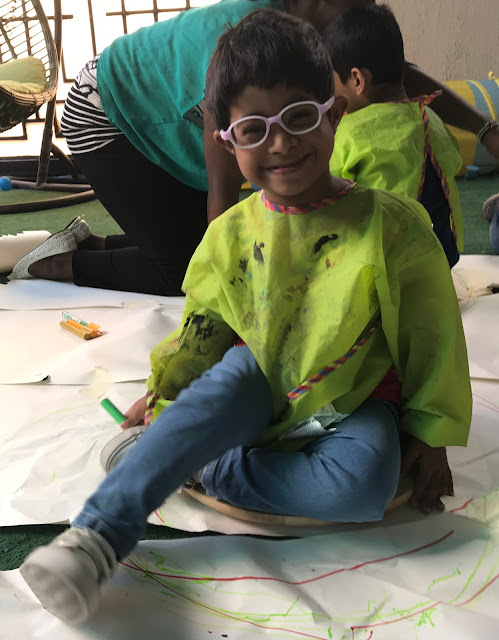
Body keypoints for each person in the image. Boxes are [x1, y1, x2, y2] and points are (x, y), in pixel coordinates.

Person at [20, 10, 471, 625]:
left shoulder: (392, 226)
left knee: (363, 487)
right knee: (215, 391)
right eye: (255, 129)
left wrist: (430, 433)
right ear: (226, 141)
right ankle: (95, 539)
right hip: (255, 380)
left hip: (356, 397)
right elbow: (203, 329)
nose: (280, 143)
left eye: (299, 117)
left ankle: (201, 464)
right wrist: (168, 392)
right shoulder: (230, 234)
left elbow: (433, 336)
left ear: (335, 114)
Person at [8, 0, 499, 293]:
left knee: (190, 243)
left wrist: (484, 129)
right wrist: (237, 290)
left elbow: (390, 71)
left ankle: (86, 241)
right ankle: (53, 265)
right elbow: (222, 194)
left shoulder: (325, 27)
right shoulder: (250, 41)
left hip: (162, 117)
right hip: (106, 111)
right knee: (189, 271)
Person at [326, 4, 463, 267]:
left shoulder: (350, 132)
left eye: (333, 83)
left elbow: (325, 188)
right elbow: (453, 162)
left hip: (385, 265)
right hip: (443, 256)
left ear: (357, 80)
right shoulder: (430, 118)